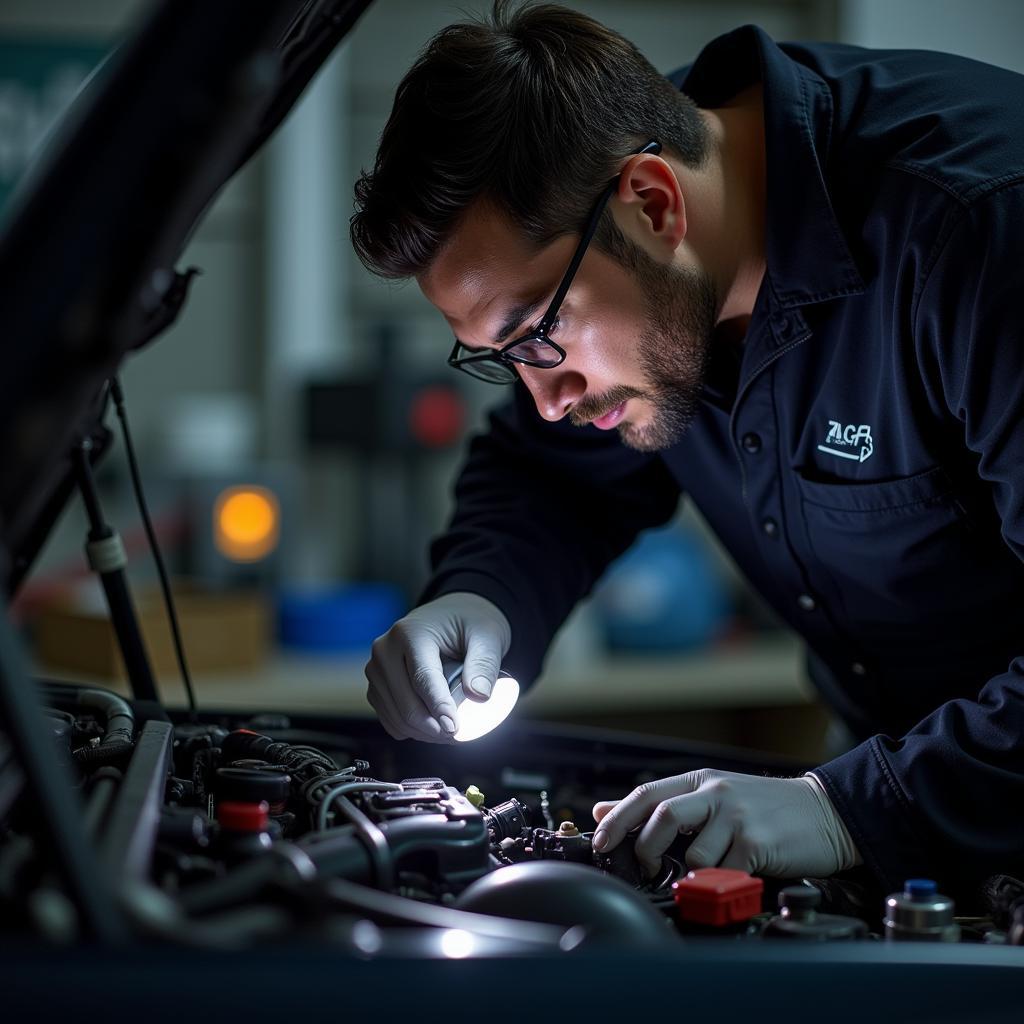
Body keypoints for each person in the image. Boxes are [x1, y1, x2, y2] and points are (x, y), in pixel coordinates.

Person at [351, 1, 1024, 901]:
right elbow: (553, 479)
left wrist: (851, 808)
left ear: (655, 203)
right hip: (903, 836)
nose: (545, 401)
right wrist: (484, 595)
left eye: (539, 335)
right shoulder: (626, 203)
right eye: (499, 358)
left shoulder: (978, 230)